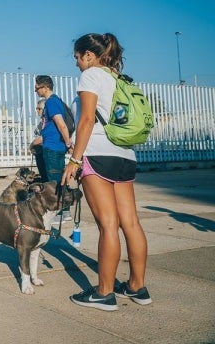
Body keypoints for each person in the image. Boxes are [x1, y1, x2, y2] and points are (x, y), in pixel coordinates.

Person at [63, 33, 151, 311]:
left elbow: (87, 119)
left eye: (77, 57)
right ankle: (137, 287)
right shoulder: (117, 78)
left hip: (97, 154)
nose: (77, 63)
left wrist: (74, 161)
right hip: (125, 155)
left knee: (108, 225)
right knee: (131, 223)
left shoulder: (91, 76)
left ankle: (104, 293)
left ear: (89, 55)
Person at [34, 75, 73, 219]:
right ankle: (63, 211)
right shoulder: (53, 102)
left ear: (45, 87)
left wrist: (68, 144)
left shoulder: (51, 102)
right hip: (53, 146)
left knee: (54, 182)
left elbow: (61, 124)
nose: (36, 91)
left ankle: (61, 212)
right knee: (56, 179)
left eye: (37, 88)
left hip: (53, 148)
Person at [28, 98, 48, 180]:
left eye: (39, 108)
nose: (37, 110)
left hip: (45, 153)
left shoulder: (47, 122)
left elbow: (41, 139)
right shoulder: (41, 123)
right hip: (39, 153)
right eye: (37, 108)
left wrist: (32, 145)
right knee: (43, 176)